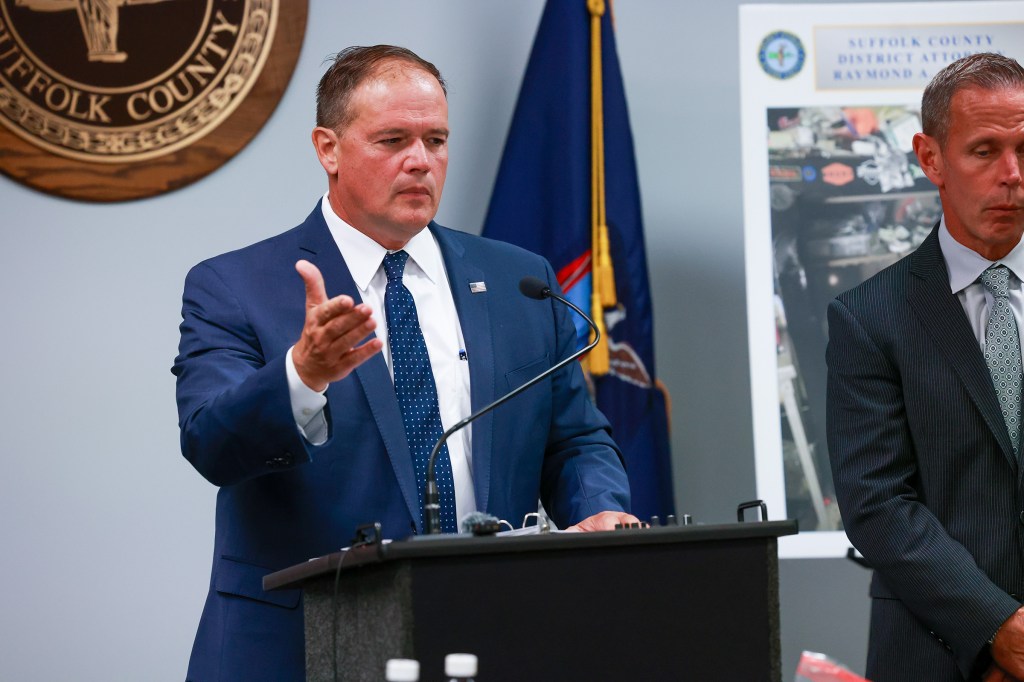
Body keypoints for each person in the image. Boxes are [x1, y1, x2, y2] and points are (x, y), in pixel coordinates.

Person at [172, 45, 636, 681]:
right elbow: (211, 444)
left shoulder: (518, 280)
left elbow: (575, 438)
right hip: (306, 644)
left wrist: (598, 507)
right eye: (393, 139)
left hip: (489, 633)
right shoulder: (235, 286)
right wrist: (301, 376)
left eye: (436, 140)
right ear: (328, 149)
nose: (421, 161)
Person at [827, 52, 1024, 681]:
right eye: (985, 150)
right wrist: (997, 627)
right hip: (937, 654)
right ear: (931, 157)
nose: (1013, 174)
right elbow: (878, 503)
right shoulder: (869, 315)